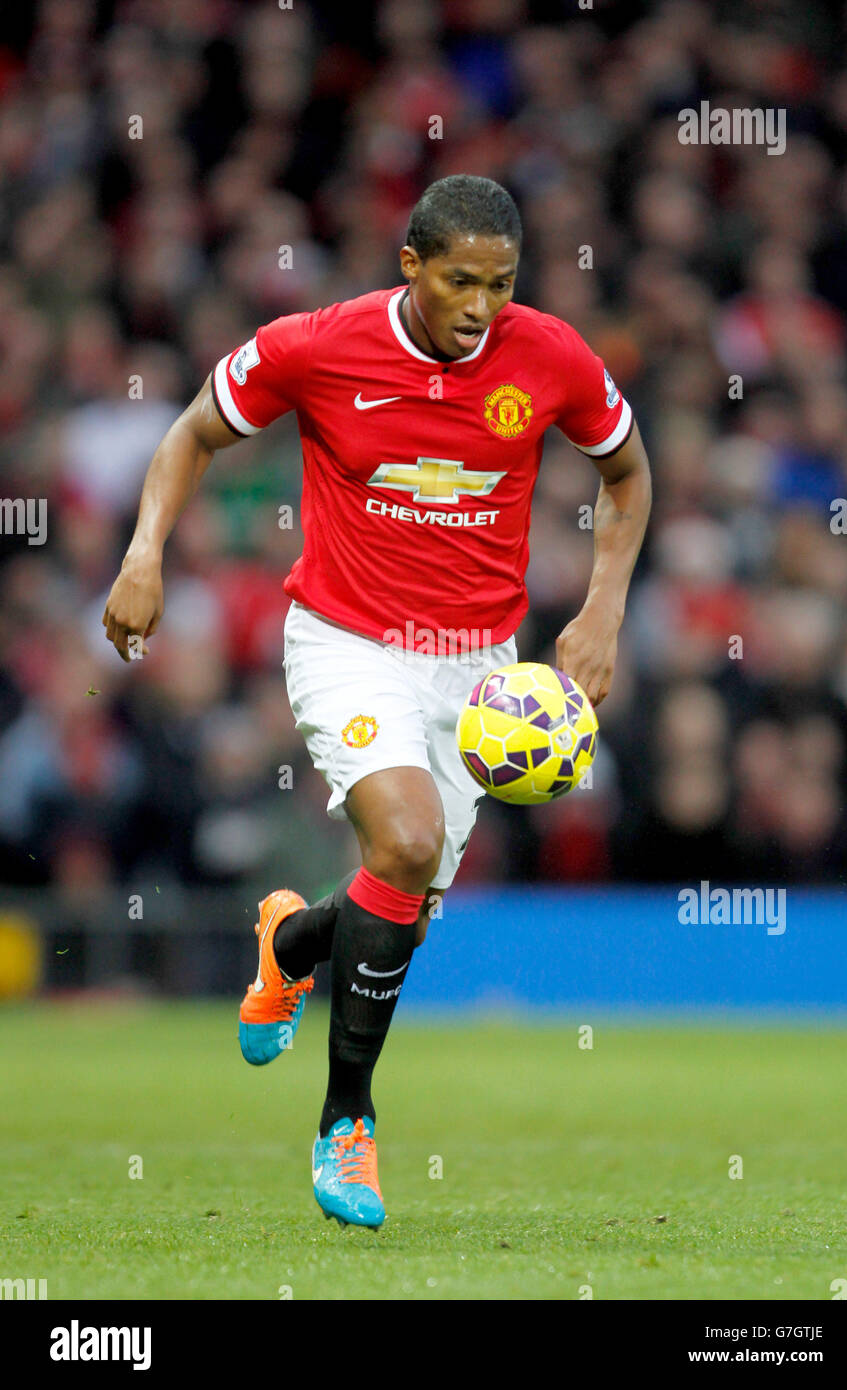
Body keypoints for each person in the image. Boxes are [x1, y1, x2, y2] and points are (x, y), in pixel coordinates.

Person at [103, 175, 652, 1229]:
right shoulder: (314, 345)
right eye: (460, 281)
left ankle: (292, 944)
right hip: (348, 642)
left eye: (500, 283)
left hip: (480, 668)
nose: (481, 306)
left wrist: (604, 610)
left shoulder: (552, 357)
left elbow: (627, 472)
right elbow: (190, 435)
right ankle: (345, 1123)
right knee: (405, 843)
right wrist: (143, 553)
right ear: (412, 266)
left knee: (404, 908)